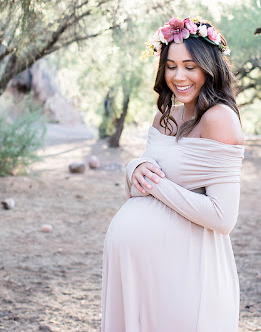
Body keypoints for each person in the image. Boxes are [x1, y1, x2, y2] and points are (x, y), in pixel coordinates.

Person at [101, 17, 245, 331]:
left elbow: (223, 218)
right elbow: (141, 182)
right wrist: (133, 168)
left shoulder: (219, 118)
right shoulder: (164, 117)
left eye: (190, 66)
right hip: (142, 274)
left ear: (209, 67)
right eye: (171, 66)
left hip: (185, 271)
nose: (178, 76)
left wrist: (157, 185)